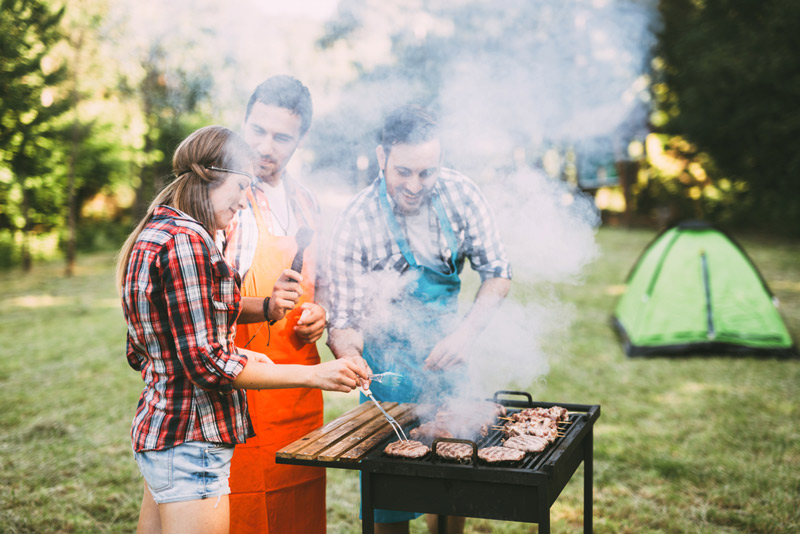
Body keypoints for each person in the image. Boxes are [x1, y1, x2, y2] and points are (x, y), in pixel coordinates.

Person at [116, 125, 369, 534]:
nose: (243, 198)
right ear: (211, 176)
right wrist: (314, 374)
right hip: (192, 439)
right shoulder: (189, 243)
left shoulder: (160, 230)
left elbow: (155, 347)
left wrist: (265, 311)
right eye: (240, 185)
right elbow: (208, 366)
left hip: (163, 433)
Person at [325, 105, 512, 534]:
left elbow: (498, 272)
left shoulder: (461, 196)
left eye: (427, 173)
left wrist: (466, 335)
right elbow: (345, 320)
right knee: (388, 498)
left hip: (450, 360)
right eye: (403, 171)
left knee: (451, 484)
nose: (415, 185)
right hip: (386, 374)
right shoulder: (356, 220)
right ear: (381, 159)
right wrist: (352, 357)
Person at [219, 75, 330, 534]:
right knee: (243, 512)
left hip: (299, 390)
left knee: (297, 512)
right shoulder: (223, 199)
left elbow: (318, 286)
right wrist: (262, 305)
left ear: (300, 140)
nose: (266, 146)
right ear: (243, 124)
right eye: (257, 130)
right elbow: (198, 301)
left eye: (281, 137)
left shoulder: (307, 202)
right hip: (237, 389)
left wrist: (318, 313)